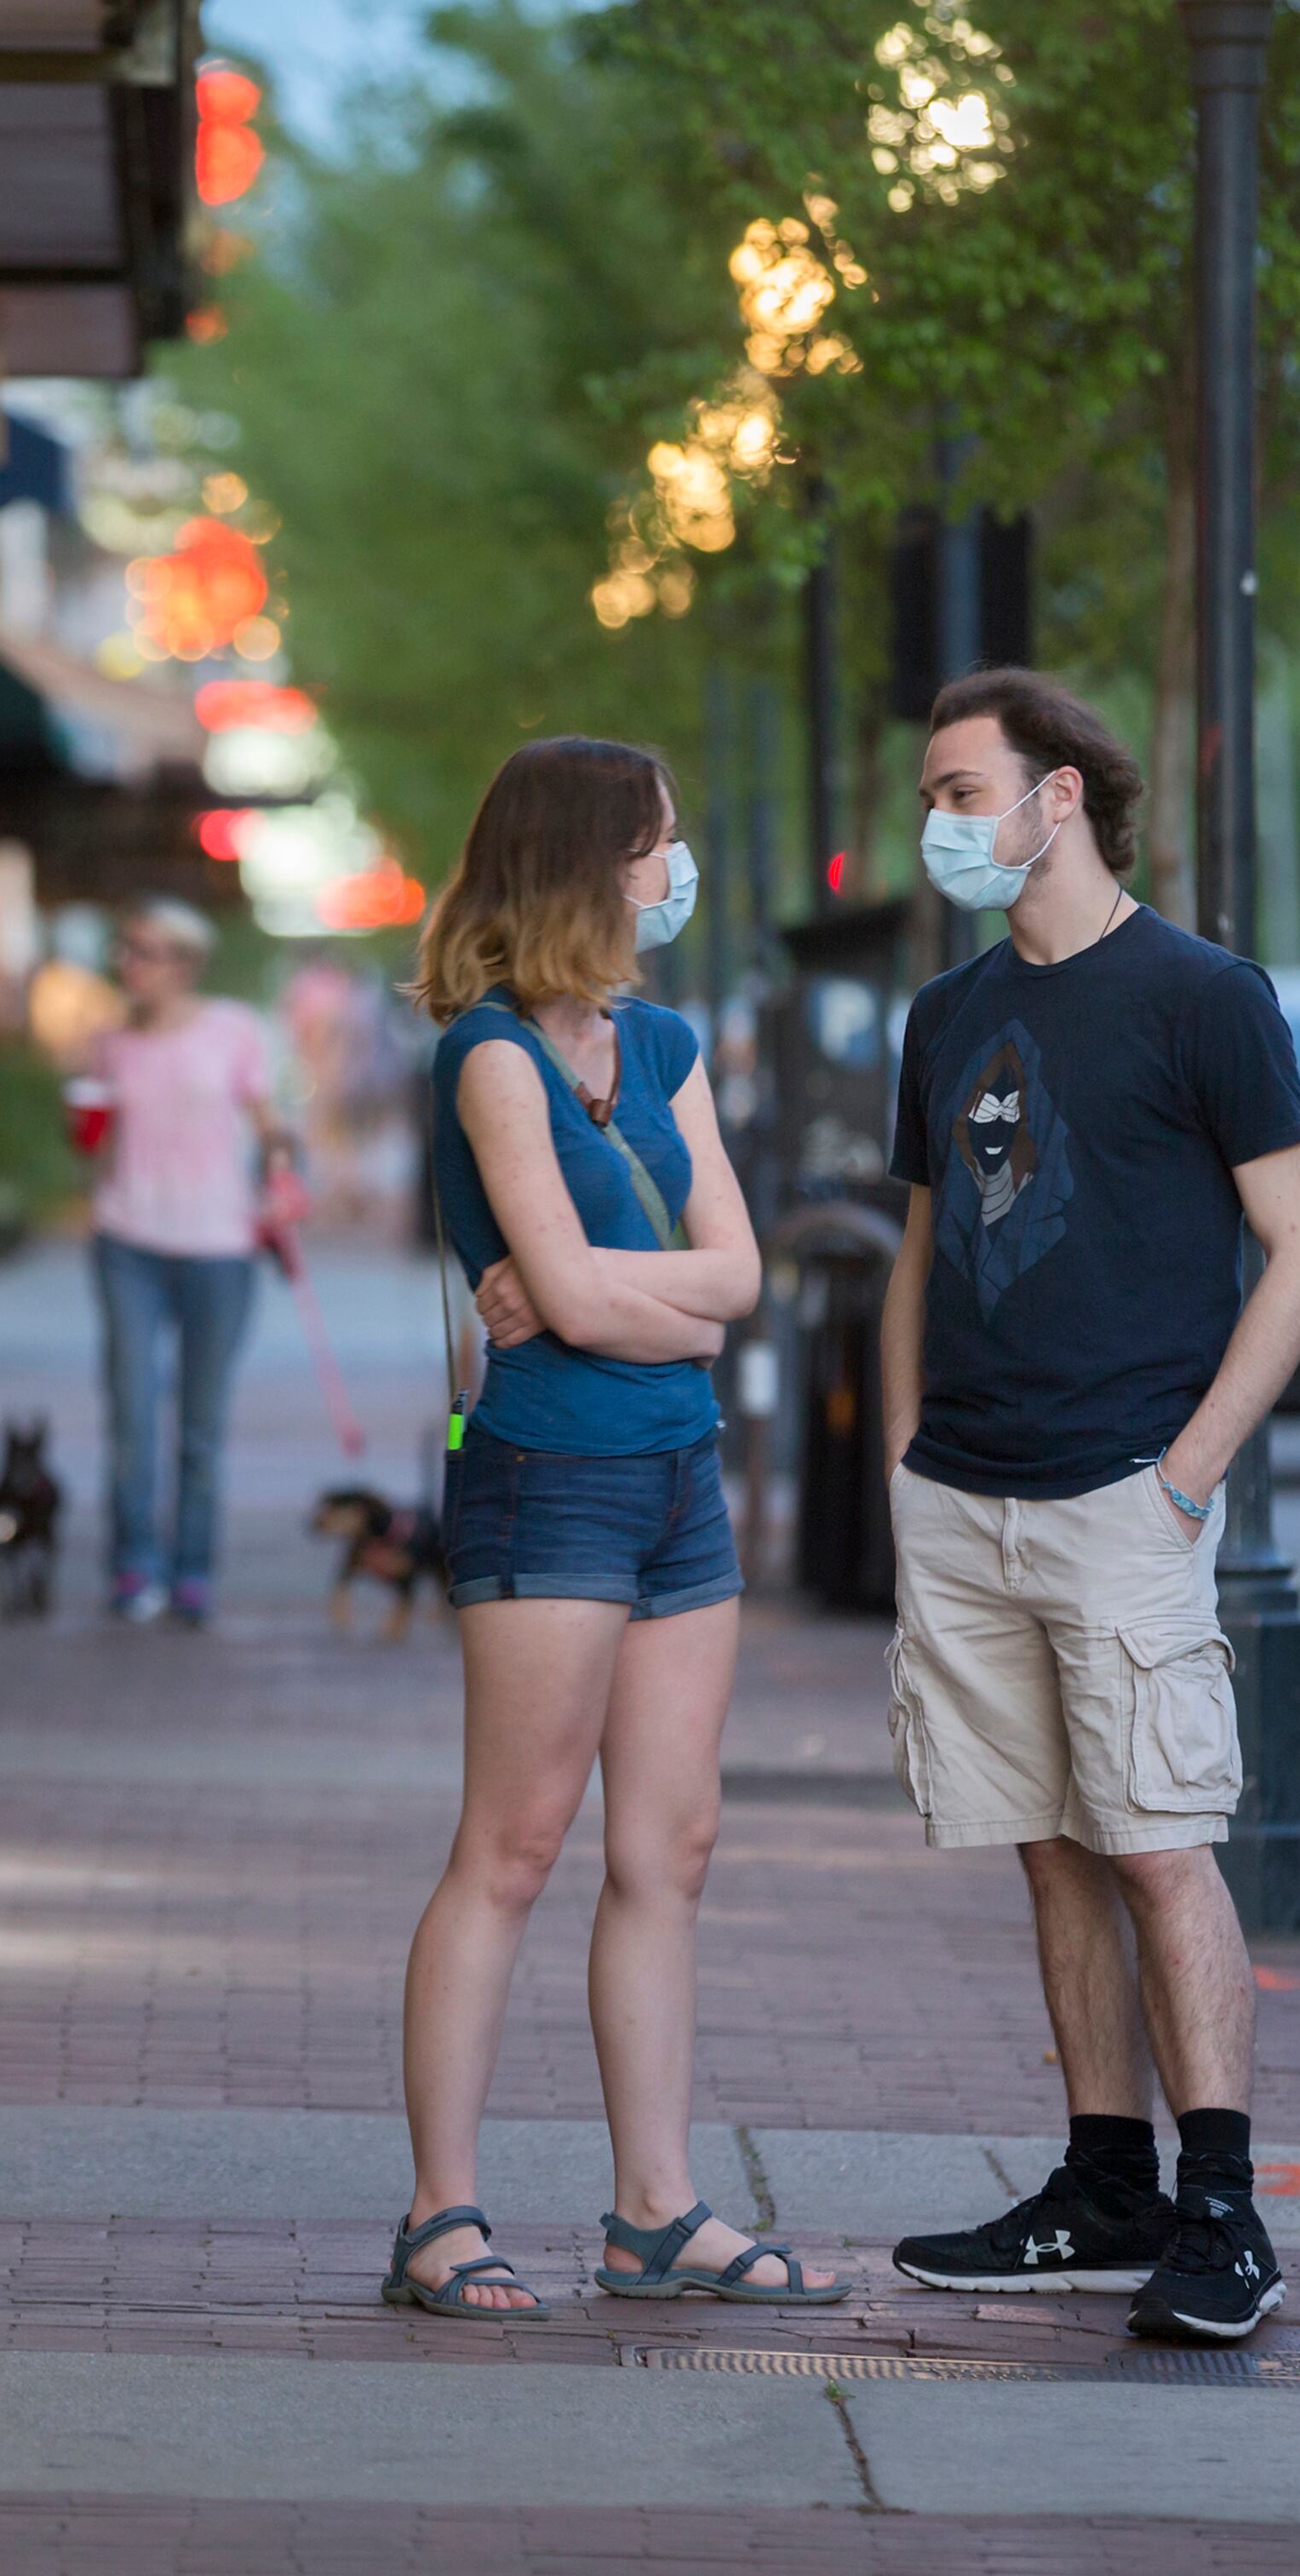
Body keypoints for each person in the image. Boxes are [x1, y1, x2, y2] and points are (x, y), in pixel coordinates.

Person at [874, 670, 1300, 2343]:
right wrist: (906, 1463)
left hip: (1124, 1490)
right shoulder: (944, 1016)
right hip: (969, 1501)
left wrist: (1189, 1474)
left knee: (1156, 1847)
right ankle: (1104, 2188)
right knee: (1054, 1854)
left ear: (1059, 793)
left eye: (960, 789)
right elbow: (925, 1254)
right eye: (930, 796)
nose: (939, 824)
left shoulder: (1205, 996)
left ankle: (1224, 2213)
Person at [383, 737, 844, 2321]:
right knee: (511, 1847)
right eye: (657, 839)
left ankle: (657, 2212)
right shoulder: (489, 1057)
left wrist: (618, 1300)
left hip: (674, 1483)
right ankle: (441, 2211)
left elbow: (737, 1278)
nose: (675, 865)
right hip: (545, 1478)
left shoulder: (661, 1043)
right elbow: (578, 1296)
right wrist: (638, 1300)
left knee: (673, 1846)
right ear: (591, 861)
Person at [83, 896, 297, 1626]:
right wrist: (82, 1130)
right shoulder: (108, 1040)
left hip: (220, 1243)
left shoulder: (234, 1029)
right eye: (124, 948)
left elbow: (271, 1125)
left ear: (183, 963)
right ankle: (132, 1563)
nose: (127, 964)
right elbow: (94, 1138)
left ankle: (193, 1571)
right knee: (132, 1411)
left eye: (142, 950)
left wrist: (279, 1175)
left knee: (200, 1423)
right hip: (127, 1237)